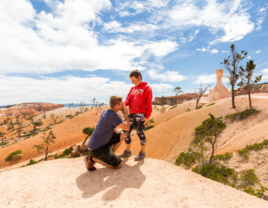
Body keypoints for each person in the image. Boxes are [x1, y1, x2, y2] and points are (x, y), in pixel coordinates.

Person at [84, 96, 130, 171]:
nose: (123, 104)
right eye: (122, 103)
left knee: (122, 135)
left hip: (96, 143)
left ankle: (109, 156)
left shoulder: (106, 111)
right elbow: (127, 128)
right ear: (117, 106)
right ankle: (92, 159)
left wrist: (114, 129)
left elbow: (105, 124)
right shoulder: (113, 115)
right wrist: (126, 114)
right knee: (118, 165)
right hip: (96, 149)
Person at [118, 69, 153, 161]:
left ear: (139, 77)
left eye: (134, 80)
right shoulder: (132, 89)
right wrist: (122, 104)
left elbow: (149, 103)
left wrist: (147, 117)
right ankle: (128, 152)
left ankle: (142, 153)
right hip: (131, 114)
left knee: (140, 133)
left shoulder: (147, 88)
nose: (133, 83)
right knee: (126, 133)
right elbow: (128, 100)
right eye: (131, 81)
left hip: (141, 114)